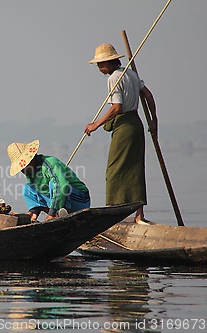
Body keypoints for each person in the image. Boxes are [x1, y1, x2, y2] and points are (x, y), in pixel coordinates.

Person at [84, 43, 157, 224]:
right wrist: (154, 120)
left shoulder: (114, 78)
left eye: (102, 64)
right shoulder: (131, 73)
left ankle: (111, 215)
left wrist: (96, 125)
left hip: (124, 126)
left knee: (114, 170)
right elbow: (148, 95)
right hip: (136, 124)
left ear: (111, 62)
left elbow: (117, 108)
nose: (100, 68)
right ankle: (139, 215)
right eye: (98, 65)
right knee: (135, 168)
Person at [7, 140, 90, 221]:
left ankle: (57, 213)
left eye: (24, 166)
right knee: (27, 188)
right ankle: (54, 213)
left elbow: (61, 186)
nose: (23, 171)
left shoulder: (49, 163)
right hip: (59, 204)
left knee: (53, 184)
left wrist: (51, 214)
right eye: (21, 169)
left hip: (79, 200)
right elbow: (36, 195)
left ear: (32, 159)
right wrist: (32, 213)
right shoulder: (30, 173)